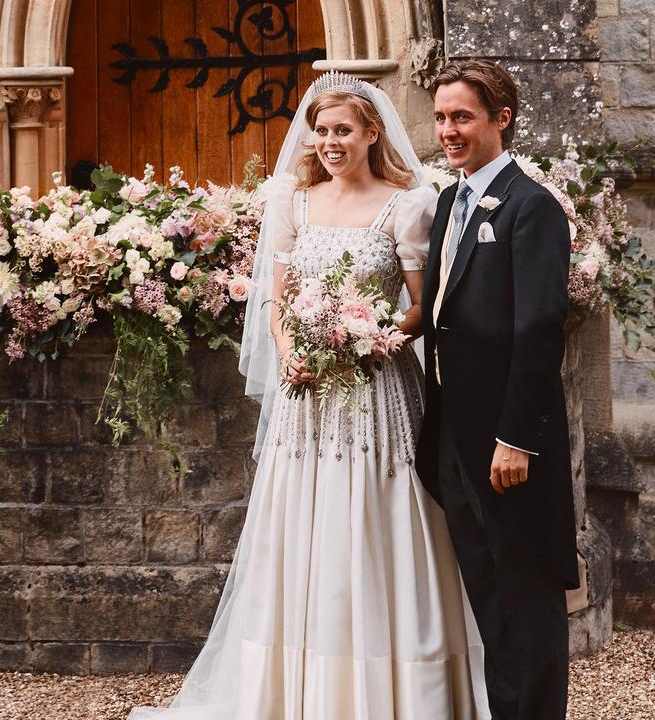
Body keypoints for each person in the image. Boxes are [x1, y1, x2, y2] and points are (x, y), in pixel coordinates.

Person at [130, 71, 489, 719]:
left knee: (382, 520)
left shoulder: (407, 205)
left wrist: (368, 338)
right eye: (322, 131)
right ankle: (296, 693)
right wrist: (297, 351)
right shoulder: (293, 203)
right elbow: (278, 302)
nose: (329, 141)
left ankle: (397, 691)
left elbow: (419, 306)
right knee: (304, 528)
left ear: (372, 133)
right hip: (307, 398)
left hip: (376, 390)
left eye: (343, 130)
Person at [418, 60, 577, 720]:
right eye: (441, 117)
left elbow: (539, 329)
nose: (448, 130)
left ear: (500, 119)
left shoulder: (531, 206)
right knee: (488, 595)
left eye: (462, 117)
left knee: (525, 598)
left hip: (507, 446)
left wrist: (516, 438)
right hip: (455, 431)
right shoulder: (453, 200)